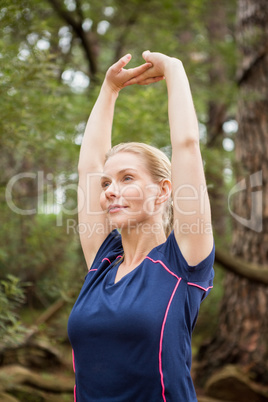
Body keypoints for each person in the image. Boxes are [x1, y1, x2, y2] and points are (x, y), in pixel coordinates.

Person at [68, 51, 215, 402]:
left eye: (127, 178)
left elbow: (186, 145)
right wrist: (109, 88)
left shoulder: (183, 263)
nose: (110, 190)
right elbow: (89, 165)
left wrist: (175, 71)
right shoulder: (101, 263)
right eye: (107, 185)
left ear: (164, 190)